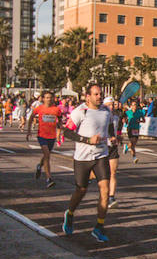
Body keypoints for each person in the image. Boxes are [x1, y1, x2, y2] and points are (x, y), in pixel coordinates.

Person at [61, 84, 113, 242]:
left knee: (105, 189)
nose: (99, 97)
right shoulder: (80, 112)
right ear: (88, 97)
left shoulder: (106, 111)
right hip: (83, 157)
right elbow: (67, 131)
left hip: (101, 155)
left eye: (100, 94)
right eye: (96, 94)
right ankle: (69, 214)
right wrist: (87, 140)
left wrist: (113, 136)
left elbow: (109, 126)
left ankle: (99, 227)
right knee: (81, 190)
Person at [31, 90, 61, 188]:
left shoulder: (56, 109)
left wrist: (59, 133)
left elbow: (60, 121)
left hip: (51, 136)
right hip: (42, 135)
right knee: (47, 154)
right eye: (47, 97)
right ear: (43, 99)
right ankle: (49, 178)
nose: (49, 99)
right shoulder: (39, 108)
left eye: (50, 97)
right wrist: (28, 131)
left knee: (46, 156)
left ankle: (39, 166)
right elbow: (31, 117)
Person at [104, 96, 123, 207]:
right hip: (101, 146)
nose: (111, 107)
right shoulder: (100, 116)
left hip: (112, 147)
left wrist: (118, 137)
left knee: (113, 173)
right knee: (100, 174)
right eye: (109, 105)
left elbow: (118, 130)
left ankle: (111, 197)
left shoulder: (116, 116)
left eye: (112, 104)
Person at [124, 98, 145, 163]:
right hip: (130, 128)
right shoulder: (128, 112)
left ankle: (127, 147)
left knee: (133, 144)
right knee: (132, 142)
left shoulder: (140, 112)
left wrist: (140, 121)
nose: (134, 106)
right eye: (133, 105)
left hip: (136, 129)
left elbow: (144, 120)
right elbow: (124, 118)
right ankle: (134, 157)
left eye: (135, 105)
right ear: (131, 106)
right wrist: (125, 121)